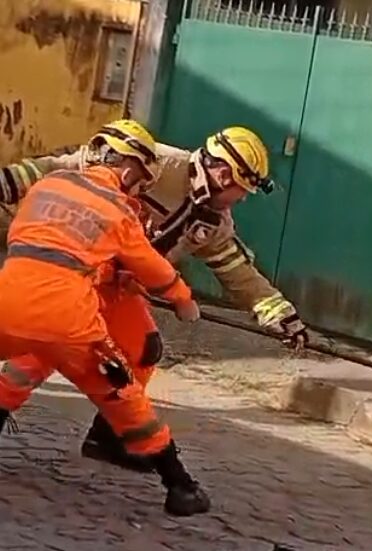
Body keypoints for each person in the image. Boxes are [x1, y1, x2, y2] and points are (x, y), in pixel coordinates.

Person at [0, 123, 308, 472]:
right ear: (224, 174)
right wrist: (9, 183)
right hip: (77, 278)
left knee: (143, 349)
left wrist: (280, 313)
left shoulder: (216, 224)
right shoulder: (155, 162)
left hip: (119, 290)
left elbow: (237, 271)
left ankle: (111, 438)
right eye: (243, 188)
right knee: (42, 350)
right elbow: (68, 167)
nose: (243, 198)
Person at [0, 120, 210, 516]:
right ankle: (180, 487)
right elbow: (152, 267)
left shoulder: (45, 187)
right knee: (122, 393)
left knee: (17, 368)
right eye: (140, 181)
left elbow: (54, 243)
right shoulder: (117, 209)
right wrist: (183, 299)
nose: (139, 190)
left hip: (7, 299)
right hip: (70, 321)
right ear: (128, 170)